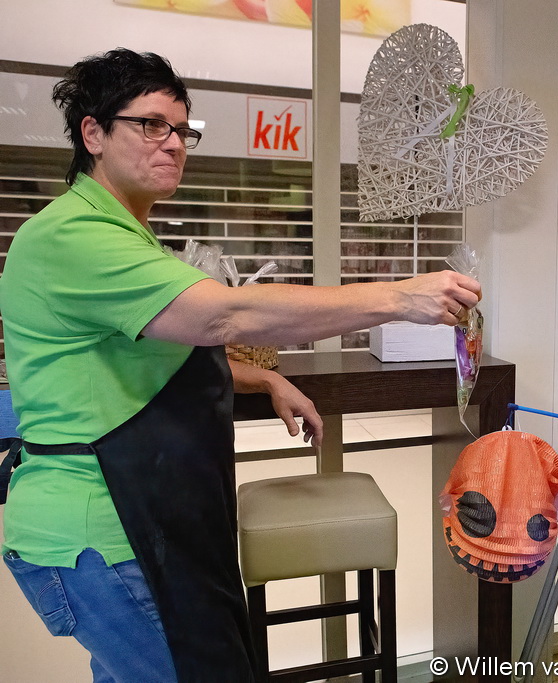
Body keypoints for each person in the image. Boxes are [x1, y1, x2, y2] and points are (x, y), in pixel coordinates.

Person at [0, 49, 480, 683]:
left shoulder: (123, 234)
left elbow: (150, 349)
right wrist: (399, 298)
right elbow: (222, 316)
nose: (174, 143)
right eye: (151, 124)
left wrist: (263, 376)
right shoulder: (73, 236)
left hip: (142, 525)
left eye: (182, 129)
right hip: (103, 533)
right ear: (93, 133)